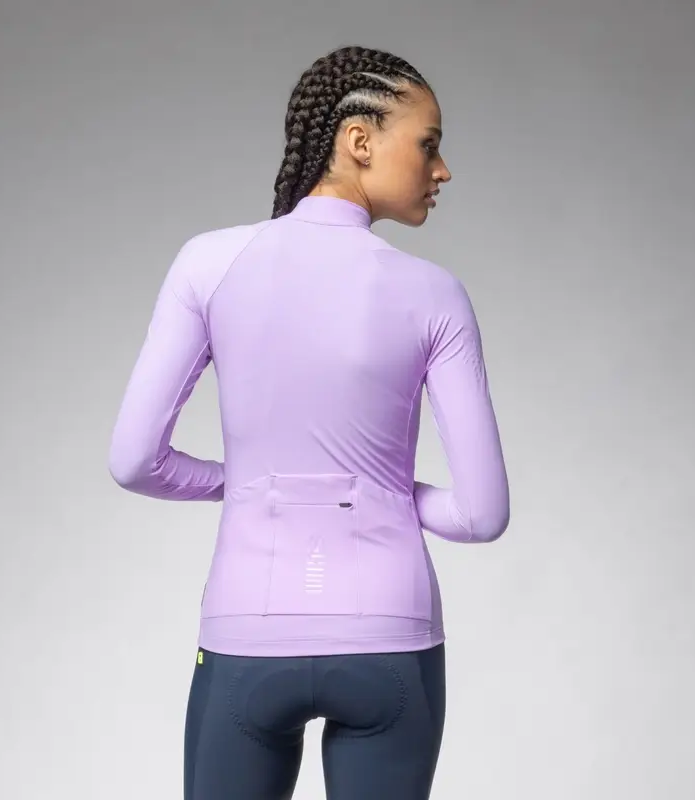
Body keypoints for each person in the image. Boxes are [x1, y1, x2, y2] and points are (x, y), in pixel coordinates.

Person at [108, 44, 510, 800]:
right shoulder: (435, 294)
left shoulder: (208, 265)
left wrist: (249, 482)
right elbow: (482, 515)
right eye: (429, 145)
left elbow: (135, 461)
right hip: (390, 636)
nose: (443, 169)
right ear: (360, 141)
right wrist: (381, 490)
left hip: (247, 629)